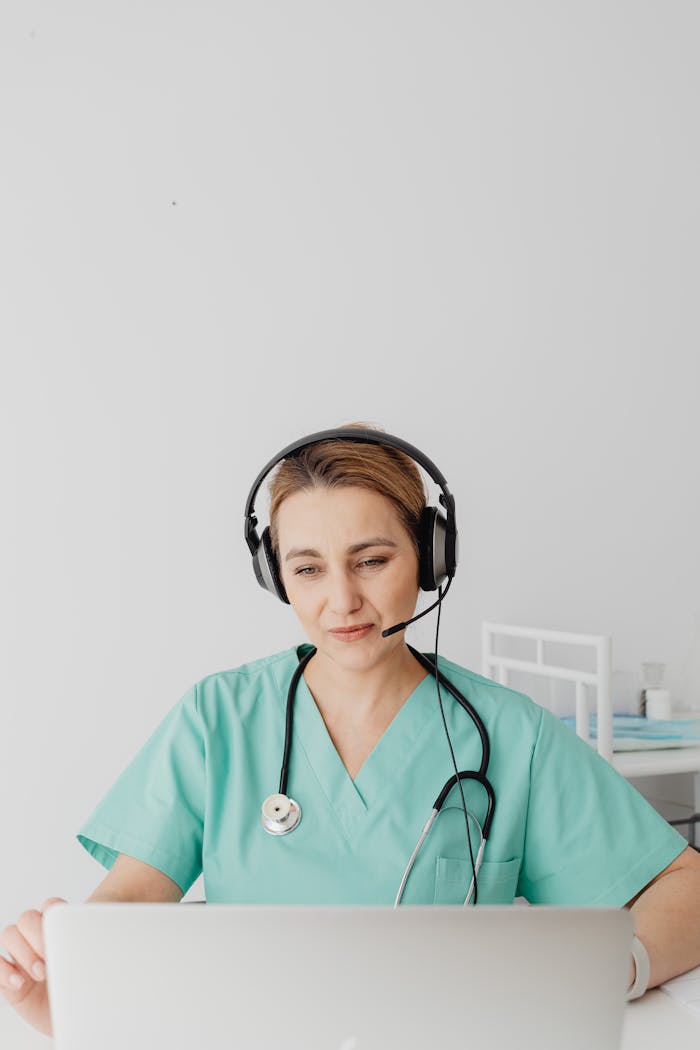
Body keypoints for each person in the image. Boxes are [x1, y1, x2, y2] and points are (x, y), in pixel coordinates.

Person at [2, 422, 700, 1037]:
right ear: (277, 578)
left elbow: (684, 888)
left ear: (429, 559)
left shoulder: (510, 734)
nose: (342, 601)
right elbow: (133, 898)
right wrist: (70, 968)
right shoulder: (218, 717)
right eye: (308, 569)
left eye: (372, 560)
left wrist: (616, 970)